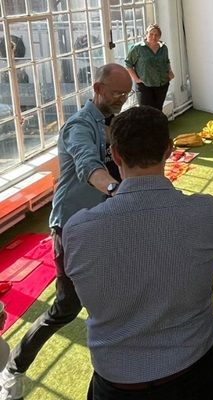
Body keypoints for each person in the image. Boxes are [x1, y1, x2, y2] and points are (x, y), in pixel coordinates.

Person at [63, 106, 213, 399]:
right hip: (198, 372)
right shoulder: (209, 212)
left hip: (117, 383)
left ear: (115, 155)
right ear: (168, 150)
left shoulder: (78, 230)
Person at [0, 63, 129, 400]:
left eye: (126, 94)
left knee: (118, 295)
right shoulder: (78, 126)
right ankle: (13, 369)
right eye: (117, 93)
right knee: (66, 309)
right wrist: (119, 191)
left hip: (103, 223)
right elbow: (90, 166)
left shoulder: (114, 121)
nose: (122, 99)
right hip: (71, 228)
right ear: (98, 89)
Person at [125, 24, 174, 112]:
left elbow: (166, 61)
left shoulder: (163, 48)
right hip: (145, 85)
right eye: (151, 34)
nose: (153, 37)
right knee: (145, 112)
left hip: (162, 84)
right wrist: (136, 79)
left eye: (156, 35)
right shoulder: (138, 48)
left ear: (160, 36)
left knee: (158, 110)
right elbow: (128, 64)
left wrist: (170, 72)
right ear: (146, 34)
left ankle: (158, 126)